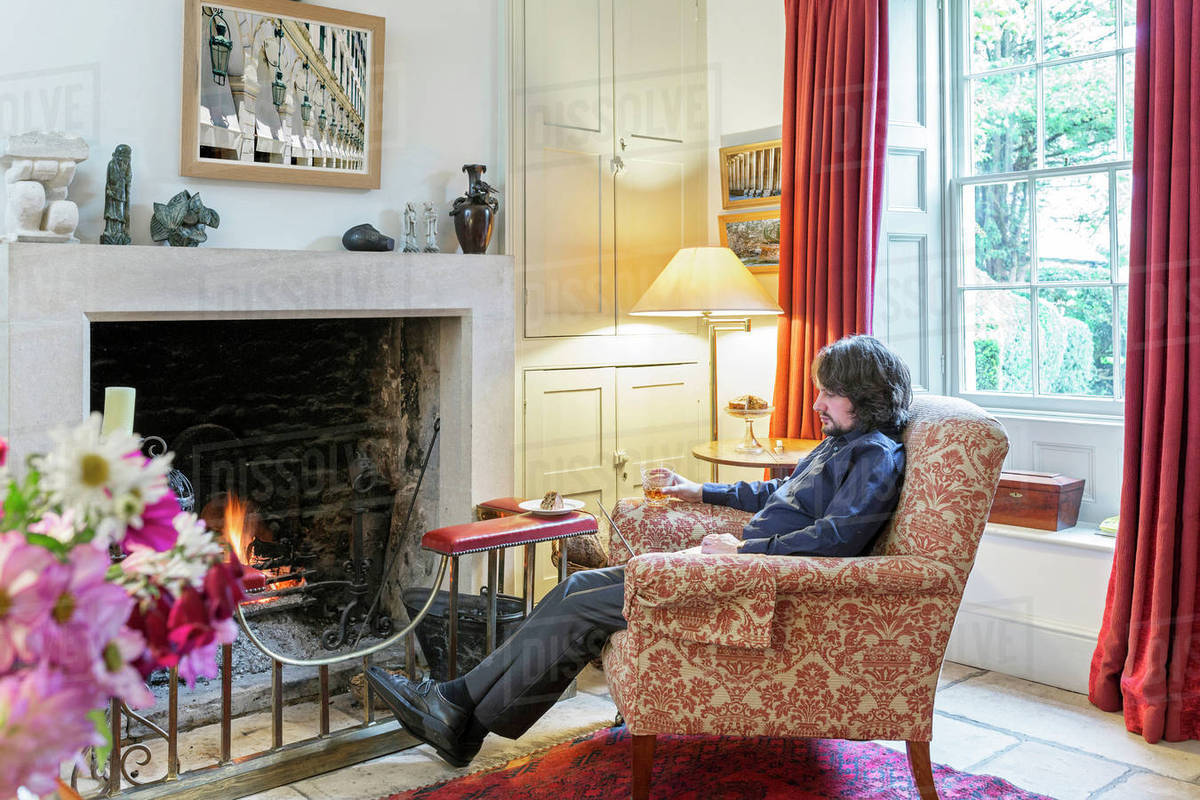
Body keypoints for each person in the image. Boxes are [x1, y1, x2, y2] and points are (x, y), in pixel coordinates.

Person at [367, 334, 913, 767]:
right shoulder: (842, 442)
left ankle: (457, 712)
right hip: (740, 568)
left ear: (861, 397)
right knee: (578, 589)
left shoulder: (876, 455)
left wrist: (745, 552)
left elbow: (839, 540)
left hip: (757, 585)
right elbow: (781, 492)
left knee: (580, 603)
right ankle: (458, 714)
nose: (816, 402)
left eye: (827, 393)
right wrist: (699, 490)